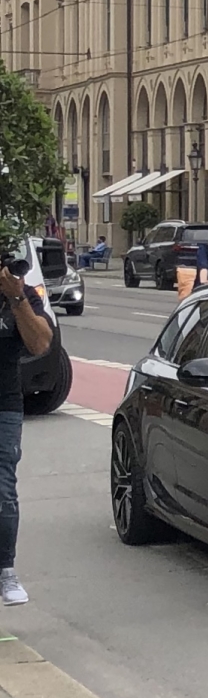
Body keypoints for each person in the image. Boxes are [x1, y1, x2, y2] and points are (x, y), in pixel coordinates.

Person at [0, 258, 57, 605]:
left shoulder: (21, 294)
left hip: (4, 405)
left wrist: (16, 299)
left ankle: (6, 571)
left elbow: (41, 344)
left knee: (3, 488)